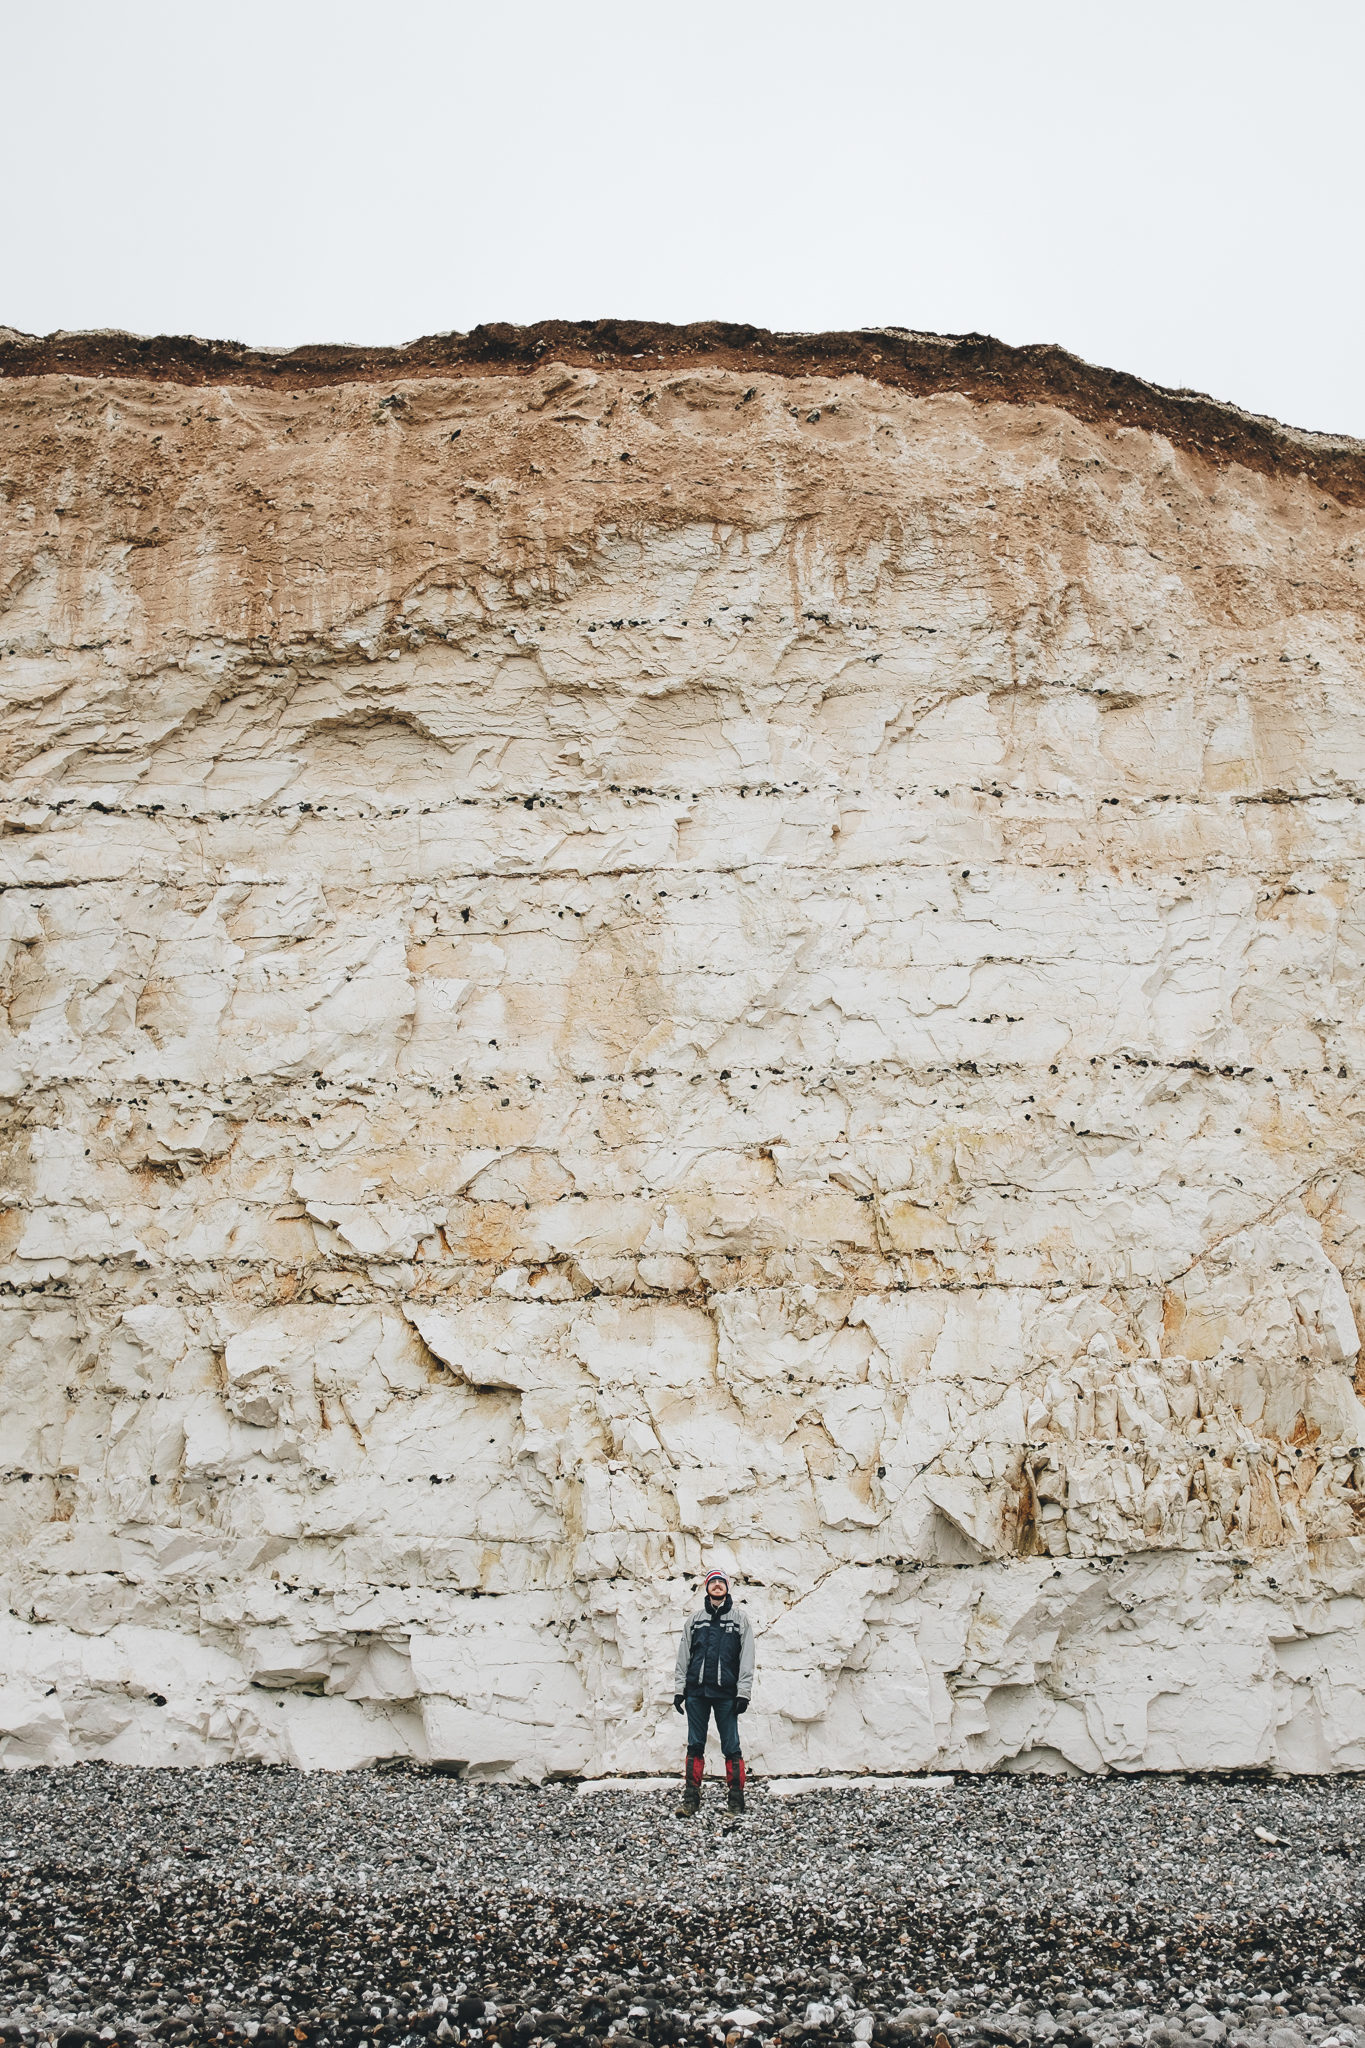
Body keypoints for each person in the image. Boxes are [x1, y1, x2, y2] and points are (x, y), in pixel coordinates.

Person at [672, 1569, 755, 1817]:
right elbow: (683, 1657)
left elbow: (747, 1658)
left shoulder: (740, 1620)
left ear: (727, 1588)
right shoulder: (695, 1620)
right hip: (697, 1693)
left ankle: (736, 1800)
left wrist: (743, 1693)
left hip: (726, 1695)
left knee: (731, 1746)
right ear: (706, 1588)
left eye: (721, 1582)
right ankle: (690, 1799)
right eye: (712, 1582)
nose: (717, 1585)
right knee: (695, 1745)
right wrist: (680, 1690)